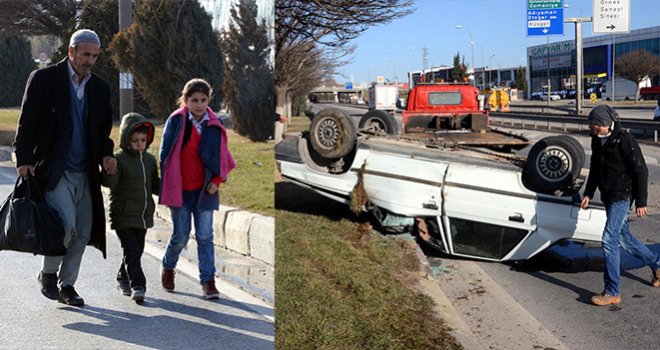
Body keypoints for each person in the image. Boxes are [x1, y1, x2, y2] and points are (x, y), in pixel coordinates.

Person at [13, 29, 117, 306]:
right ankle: (48, 274)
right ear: (70, 52)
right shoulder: (44, 79)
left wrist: (107, 156)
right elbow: (27, 123)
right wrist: (23, 160)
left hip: (86, 172)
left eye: (95, 56)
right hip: (54, 170)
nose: (90, 61)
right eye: (85, 54)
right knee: (65, 226)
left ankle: (67, 285)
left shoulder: (100, 88)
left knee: (83, 231)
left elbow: (103, 132)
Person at [159, 78, 236, 299]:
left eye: (203, 100)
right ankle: (168, 266)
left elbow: (223, 157)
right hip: (180, 189)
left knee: (204, 235)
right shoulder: (176, 121)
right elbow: (165, 155)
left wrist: (217, 181)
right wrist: (169, 183)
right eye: (194, 100)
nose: (199, 105)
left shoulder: (214, 123)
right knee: (181, 235)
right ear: (185, 100)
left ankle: (208, 281)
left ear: (209, 100)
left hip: (206, 189)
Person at [581, 104, 660, 306]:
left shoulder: (625, 139)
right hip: (608, 194)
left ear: (605, 124)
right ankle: (657, 266)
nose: (591, 128)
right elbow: (595, 168)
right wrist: (588, 193)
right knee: (624, 238)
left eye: (594, 125)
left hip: (622, 195)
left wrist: (641, 201)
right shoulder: (597, 141)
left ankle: (612, 291)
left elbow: (640, 171)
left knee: (609, 238)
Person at [101, 113, 159, 303]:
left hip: (142, 216)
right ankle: (138, 286)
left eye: (143, 140)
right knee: (132, 251)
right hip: (123, 215)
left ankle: (122, 276)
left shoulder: (150, 161)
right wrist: (111, 171)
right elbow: (110, 183)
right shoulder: (119, 159)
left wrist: (172, 183)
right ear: (126, 139)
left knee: (137, 250)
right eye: (134, 141)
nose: (139, 144)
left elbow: (155, 185)